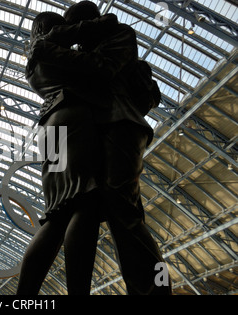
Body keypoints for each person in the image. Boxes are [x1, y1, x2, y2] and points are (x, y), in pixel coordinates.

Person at [17, 1, 171, 295]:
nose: (75, 37)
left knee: (116, 214)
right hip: (86, 126)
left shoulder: (116, 37)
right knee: (89, 208)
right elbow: (99, 72)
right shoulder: (62, 51)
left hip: (111, 126)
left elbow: (108, 71)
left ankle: (155, 288)